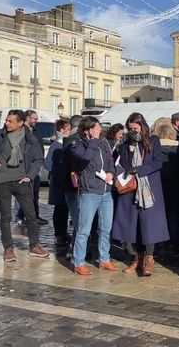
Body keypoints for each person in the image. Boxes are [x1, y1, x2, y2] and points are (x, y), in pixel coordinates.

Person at [0, 110, 49, 261]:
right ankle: (8, 248)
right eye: (6, 120)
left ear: (20, 123)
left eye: (10, 121)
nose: (6, 123)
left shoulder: (30, 138)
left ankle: (34, 246)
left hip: (22, 181)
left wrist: (30, 176)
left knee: (31, 216)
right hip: (2, 181)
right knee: (6, 216)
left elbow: (38, 159)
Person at [113, 113, 169, 276]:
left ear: (142, 126)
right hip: (130, 189)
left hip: (148, 188)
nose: (133, 131)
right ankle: (137, 258)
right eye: (130, 129)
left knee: (148, 225)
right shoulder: (124, 144)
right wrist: (129, 150)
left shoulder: (153, 141)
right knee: (132, 225)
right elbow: (123, 164)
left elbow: (158, 162)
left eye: (135, 128)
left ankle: (149, 259)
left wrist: (140, 170)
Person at [71, 116, 118, 275]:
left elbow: (111, 160)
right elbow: (84, 159)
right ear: (88, 130)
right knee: (84, 229)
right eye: (96, 128)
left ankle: (104, 259)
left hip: (106, 191)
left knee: (106, 228)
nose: (100, 130)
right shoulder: (78, 143)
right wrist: (93, 140)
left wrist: (111, 172)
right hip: (89, 191)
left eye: (99, 128)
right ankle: (79, 262)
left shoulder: (105, 143)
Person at [154, 122, 179, 258]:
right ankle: (175, 247)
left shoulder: (153, 149)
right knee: (173, 218)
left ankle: (156, 246)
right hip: (175, 186)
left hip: (157, 186)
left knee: (157, 218)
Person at [16, 109, 48, 225]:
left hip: (36, 166)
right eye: (34, 119)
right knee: (22, 194)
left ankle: (34, 215)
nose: (36, 121)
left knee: (35, 194)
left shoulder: (34, 131)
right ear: (27, 118)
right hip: (24, 167)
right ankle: (20, 217)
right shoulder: (20, 131)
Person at [45, 119, 71, 248]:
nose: (70, 131)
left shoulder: (67, 144)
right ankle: (58, 234)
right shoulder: (56, 145)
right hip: (58, 182)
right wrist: (57, 172)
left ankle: (64, 232)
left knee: (64, 208)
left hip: (65, 181)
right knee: (59, 208)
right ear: (62, 130)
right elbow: (47, 163)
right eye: (68, 129)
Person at [62, 114, 82, 258]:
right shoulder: (74, 142)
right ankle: (75, 250)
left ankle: (74, 248)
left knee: (79, 221)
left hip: (70, 187)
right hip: (75, 187)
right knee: (79, 221)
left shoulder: (68, 141)